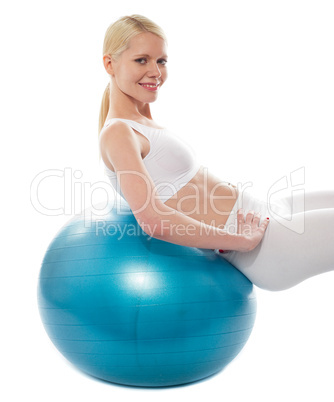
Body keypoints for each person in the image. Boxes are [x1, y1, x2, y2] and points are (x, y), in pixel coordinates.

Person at [98, 14, 334, 291]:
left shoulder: (143, 124)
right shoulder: (118, 133)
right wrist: (240, 241)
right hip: (265, 244)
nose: (156, 71)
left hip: (265, 213)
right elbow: (153, 220)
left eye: (161, 61)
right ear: (110, 64)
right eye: (142, 60)